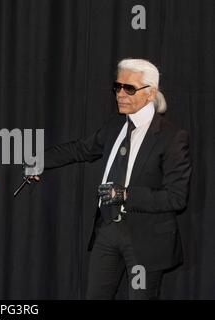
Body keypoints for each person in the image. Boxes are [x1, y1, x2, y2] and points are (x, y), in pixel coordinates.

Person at [33, 59, 191, 299]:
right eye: (117, 87)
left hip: (145, 241)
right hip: (108, 231)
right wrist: (39, 161)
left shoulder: (172, 137)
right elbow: (81, 149)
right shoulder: (115, 124)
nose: (120, 94)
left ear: (151, 94)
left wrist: (125, 194)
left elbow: (176, 197)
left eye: (129, 88)